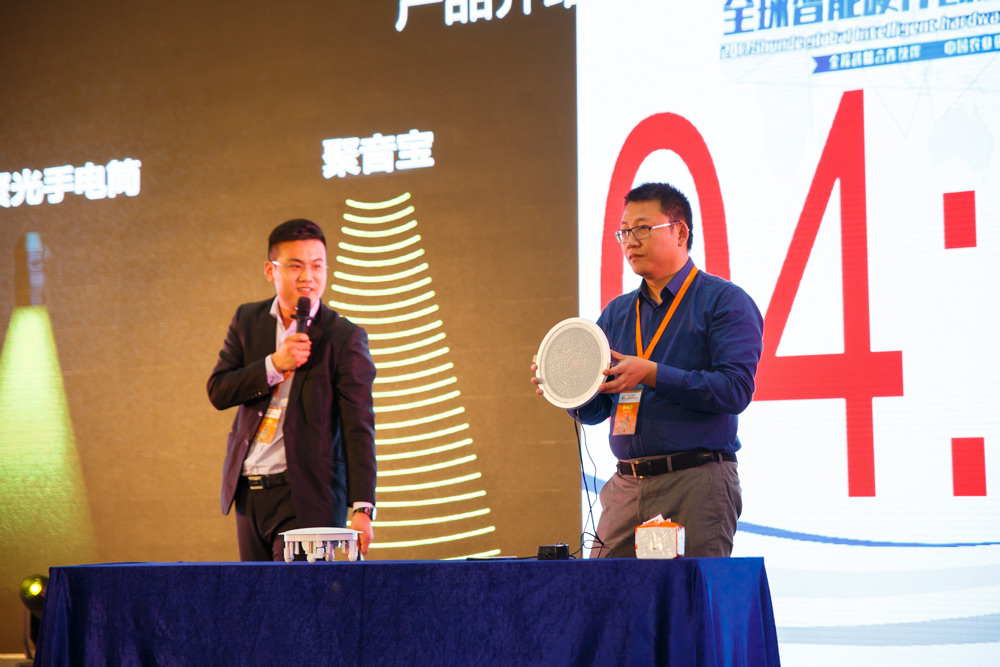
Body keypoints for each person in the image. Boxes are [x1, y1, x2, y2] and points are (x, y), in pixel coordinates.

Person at [532, 183, 763, 558]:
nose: (630, 241)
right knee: (601, 592)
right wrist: (568, 388)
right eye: (624, 231)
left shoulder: (725, 302)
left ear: (680, 232)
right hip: (626, 485)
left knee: (687, 593)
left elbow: (734, 390)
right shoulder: (617, 313)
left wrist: (652, 373)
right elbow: (596, 411)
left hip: (695, 482)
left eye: (642, 228)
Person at [208, 218, 377, 561]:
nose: (308, 277)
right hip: (250, 492)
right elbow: (219, 390)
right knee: (256, 594)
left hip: (308, 494)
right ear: (270, 270)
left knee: (299, 595)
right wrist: (273, 365)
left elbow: (359, 425)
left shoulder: (344, 337)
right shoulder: (248, 320)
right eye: (296, 266)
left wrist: (363, 507)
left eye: (317, 266)